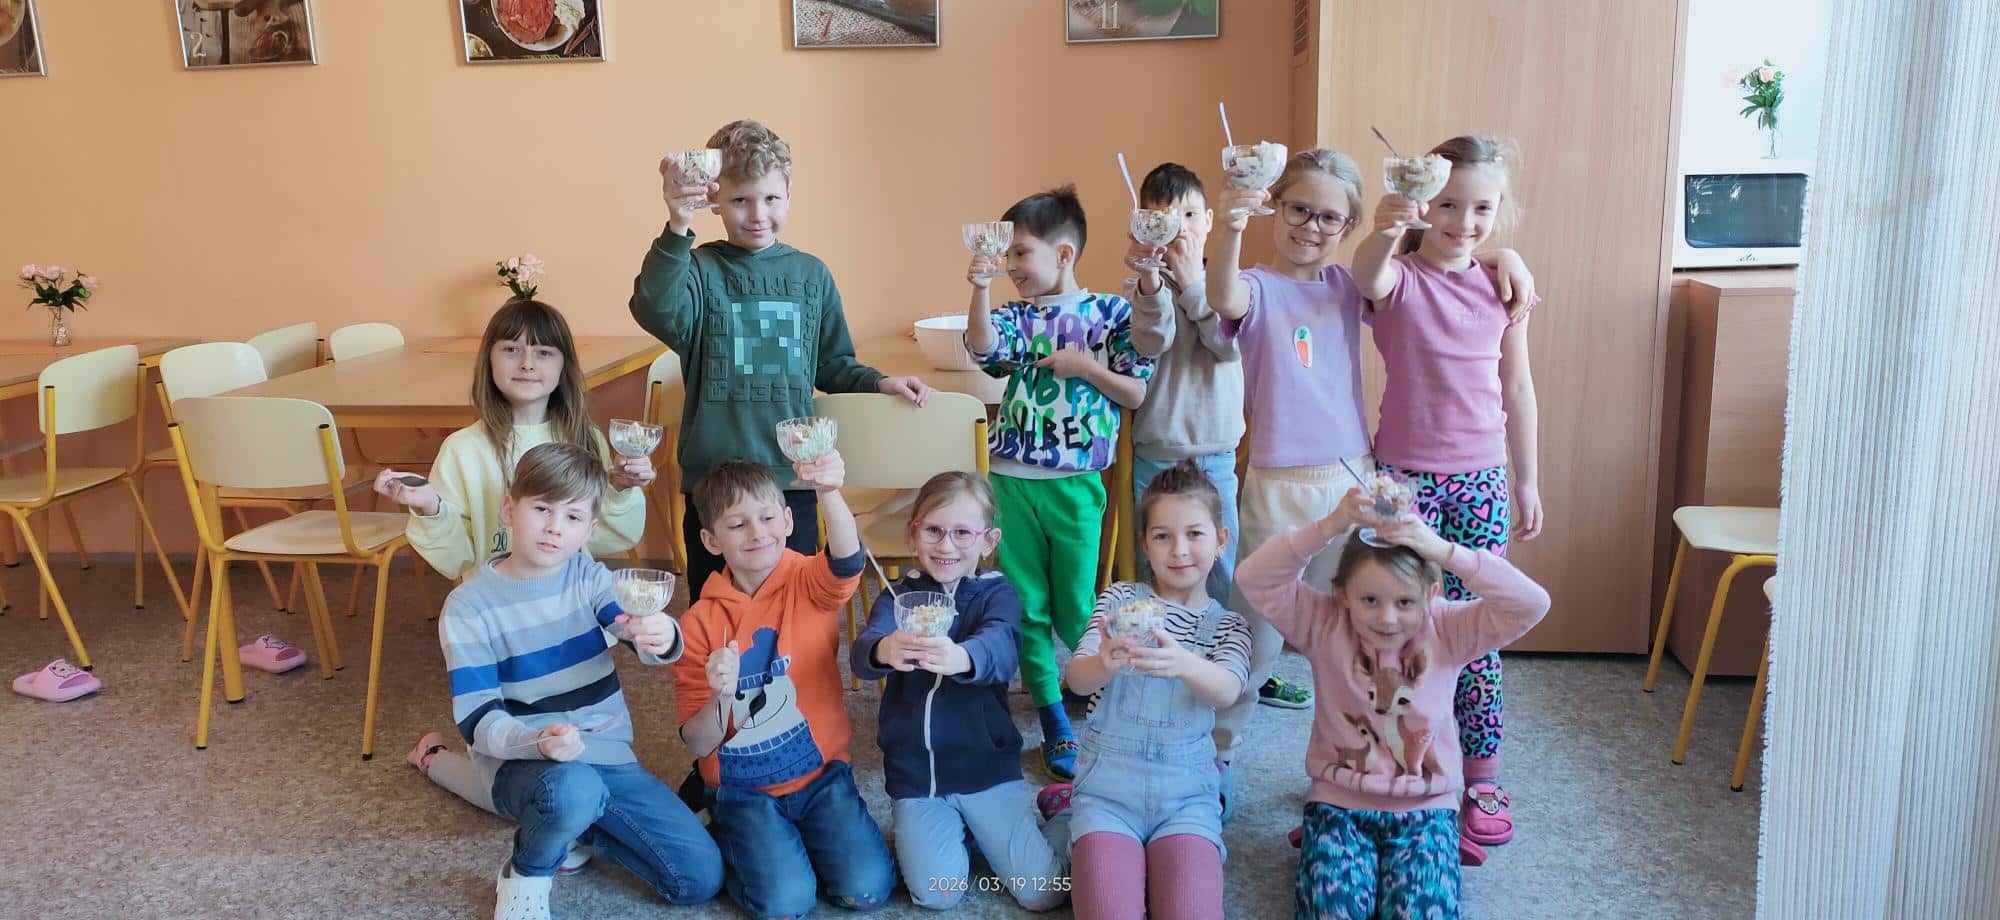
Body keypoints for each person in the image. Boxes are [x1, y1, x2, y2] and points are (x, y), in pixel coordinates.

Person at [1204, 148, 1536, 782]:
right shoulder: (1257, 286)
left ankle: (1351, 767)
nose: (1311, 226)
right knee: (1256, 633)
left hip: (1354, 481)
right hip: (1277, 486)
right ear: (1277, 206)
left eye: (1330, 217)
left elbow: (1428, 267)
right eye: (1298, 210)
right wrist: (1233, 224)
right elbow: (1223, 293)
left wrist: (1503, 256)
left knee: (1358, 637)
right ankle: (1216, 755)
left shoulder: (1347, 286)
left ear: (1349, 225)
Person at [629, 118, 930, 602]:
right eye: (740, 200)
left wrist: (879, 383)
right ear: (714, 199)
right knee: (715, 609)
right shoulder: (699, 269)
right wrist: (678, 223)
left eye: (770, 198)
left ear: (788, 194)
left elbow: (831, 363)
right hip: (714, 484)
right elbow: (655, 308)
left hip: (791, 481)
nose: (757, 214)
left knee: (794, 606)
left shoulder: (812, 276)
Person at [380, 299, 653, 821]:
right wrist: (432, 508)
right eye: (511, 350)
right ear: (488, 360)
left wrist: (618, 488)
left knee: (574, 751)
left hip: (565, 624)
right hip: (499, 626)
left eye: (543, 352)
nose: (527, 363)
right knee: (510, 763)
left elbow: (611, 535)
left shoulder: (584, 441)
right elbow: (457, 557)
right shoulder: (463, 449)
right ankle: (436, 759)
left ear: (564, 367)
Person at [1352, 135, 1543, 863]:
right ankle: (1379, 769)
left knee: (1475, 632)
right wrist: (1390, 220)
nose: (1465, 222)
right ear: (1425, 204)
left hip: (1481, 480)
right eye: (1448, 204)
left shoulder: (1503, 286)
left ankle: (1482, 778)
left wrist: (1526, 479)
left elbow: (1518, 388)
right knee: (1391, 630)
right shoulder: (1398, 278)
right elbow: (1366, 274)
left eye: (1482, 208)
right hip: (1403, 479)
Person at [438, 443, 721, 920]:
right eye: (541, 509)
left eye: (572, 517)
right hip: (523, 760)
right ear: (509, 510)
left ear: (589, 531)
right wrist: (538, 743)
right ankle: (526, 872)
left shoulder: (591, 578)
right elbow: (479, 719)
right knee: (571, 791)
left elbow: (632, 629)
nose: (555, 527)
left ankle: (579, 824)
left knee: (699, 877)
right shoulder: (468, 607)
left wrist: (661, 633)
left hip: (602, 752)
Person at [1235, 489, 1549, 917]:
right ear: (1342, 594)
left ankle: (1429, 854)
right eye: (1370, 600)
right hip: (1339, 806)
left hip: (1427, 809)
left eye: (1404, 602)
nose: (1386, 618)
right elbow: (1254, 577)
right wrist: (1328, 526)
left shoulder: (1447, 627)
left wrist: (1443, 550)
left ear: (1431, 595)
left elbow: (1532, 603)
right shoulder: (1325, 622)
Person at [965, 183, 1154, 781]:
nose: (1012, 265)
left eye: (1021, 253)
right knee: (1027, 606)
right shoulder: (1016, 315)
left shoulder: (1110, 314)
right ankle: (1052, 717)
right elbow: (984, 349)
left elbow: (1135, 391)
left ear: (1064, 253)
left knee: (1077, 605)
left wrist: (1085, 368)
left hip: (1076, 484)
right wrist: (980, 287)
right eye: (1008, 255)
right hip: (1012, 481)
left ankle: (1110, 692)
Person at [671, 453, 896, 917]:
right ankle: (724, 832)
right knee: (784, 905)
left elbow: (847, 560)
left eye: (768, 518)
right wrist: (720, 697)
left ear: (789, 521)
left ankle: (783, 844)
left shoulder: (808, 579)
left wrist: (829, 491)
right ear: (711, 540)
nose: (757, 533)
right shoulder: (697, 623)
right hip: (743, 791)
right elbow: (697, 741)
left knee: (867, 891)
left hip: (821, 777)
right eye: (738, 525)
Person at [850, 471, 1072, 912]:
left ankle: (1064, 814)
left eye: (962, 533)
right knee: (937, 894)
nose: (946, 546)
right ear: (913, 535)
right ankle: (963, 831)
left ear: (988, 541)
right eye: (933, 530)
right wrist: (884, 648)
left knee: (1043, 892)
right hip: (918, 778)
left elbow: (1002, 647)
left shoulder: (997, 594)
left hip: (985, 771)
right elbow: (863, 651)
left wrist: (963, 657)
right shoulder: (899, 596)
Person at [1062, 462, 1251, 920]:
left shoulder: (1229, 625)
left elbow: (1228, 690)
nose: (1179, 550)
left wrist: (1184, 663)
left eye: (1194, 534)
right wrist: (1103, 662)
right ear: (1145, 543)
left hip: (1186, 801)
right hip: (1107, 795)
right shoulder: (1118, 600)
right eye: (1163, 536)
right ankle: (1066, 822)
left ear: (1221, 540)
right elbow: (1077, 679)